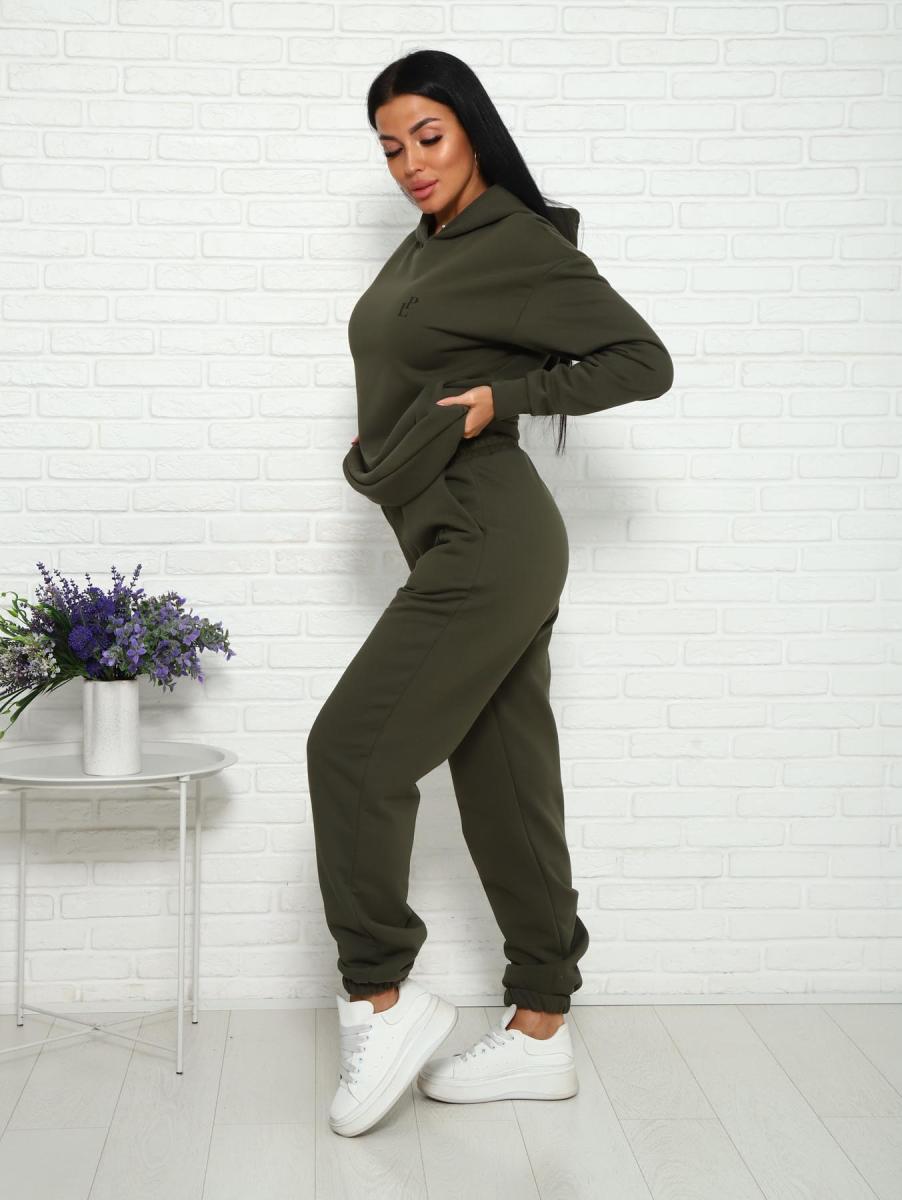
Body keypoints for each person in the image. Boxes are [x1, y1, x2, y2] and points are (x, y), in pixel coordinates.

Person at [306, 49, 674, 1138]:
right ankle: (540, 1030)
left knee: (350, 753)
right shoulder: (428, 245)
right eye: (390, 149)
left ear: (470, 127)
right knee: (506, 782)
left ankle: (380, 1000)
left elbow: (641, 360)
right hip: (456, 538)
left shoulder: (513, 241)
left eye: (427, 137)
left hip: (488, 536)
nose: (410, 164)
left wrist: (499, 399)